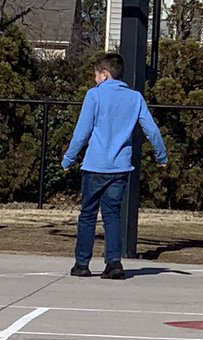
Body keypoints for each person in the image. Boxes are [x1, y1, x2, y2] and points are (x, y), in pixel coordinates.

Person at [62, 52, 167, 280]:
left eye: (96, 75)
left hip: (95, 165)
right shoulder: (135, 98)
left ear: (105, 74)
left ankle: (82, 263)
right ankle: (113, 262)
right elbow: (151, 130)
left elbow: (82, 132)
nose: (94, 80)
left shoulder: (94, 95)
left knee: (88, 214)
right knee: (112, 214)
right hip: (120, 167)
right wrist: (161, 156)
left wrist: (68, 159)